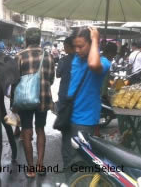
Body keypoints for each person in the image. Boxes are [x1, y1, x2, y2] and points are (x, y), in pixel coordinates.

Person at [61, 27, 110, 176]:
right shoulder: (77, 58)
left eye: (81, 46)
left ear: (92, 44)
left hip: (84, 120)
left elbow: (93, 65)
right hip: (68, 116)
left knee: (80, 162)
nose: (76, 50)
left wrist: (96, 39)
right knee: (67, 157)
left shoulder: (103, 62)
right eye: (75, 46)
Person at [12, 27, 55, 178]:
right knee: (40, 129)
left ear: (26, 39)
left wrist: (13, 105)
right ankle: (40, 165)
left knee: (26, 130)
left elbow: (14, 80)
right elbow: (51, 79)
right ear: (39, 40)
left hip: (25, 99)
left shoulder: (19, 56)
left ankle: (30, 168)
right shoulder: (48, 56)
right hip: (43, 97)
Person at [56, 37, 75, 111]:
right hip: (76, 94)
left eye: (64, 46)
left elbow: (58, 75)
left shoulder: (63, 60)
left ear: (68, 46)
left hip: (64, 92)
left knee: (62, 116)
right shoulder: (81, 60)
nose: (64, 48)